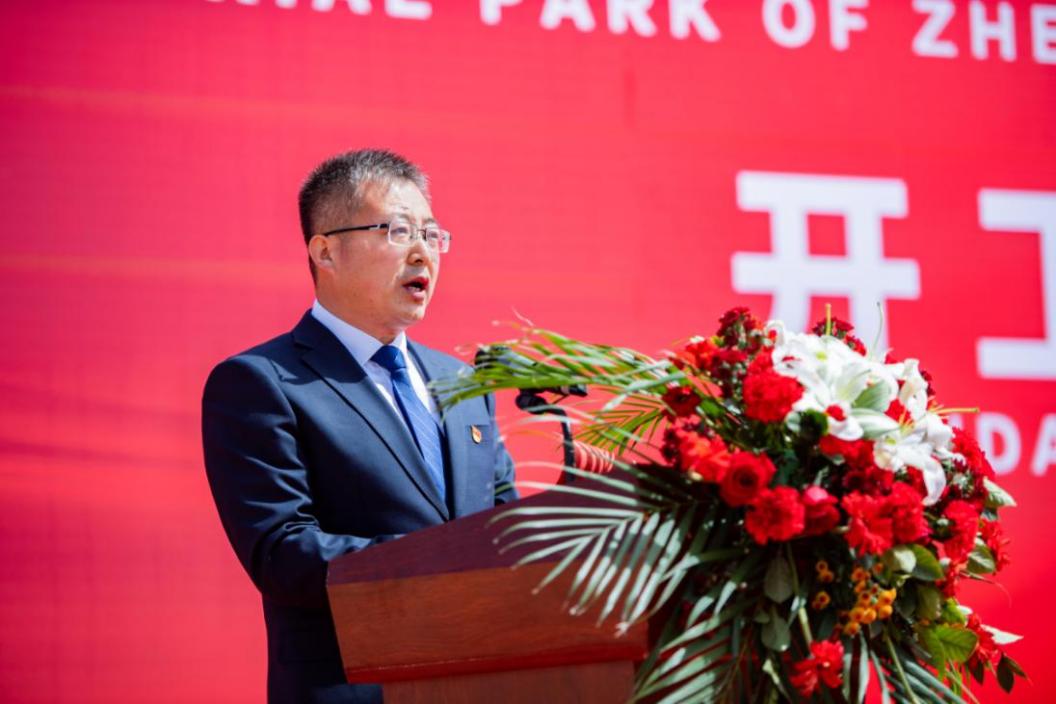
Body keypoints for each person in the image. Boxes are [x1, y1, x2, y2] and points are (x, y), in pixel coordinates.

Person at [201, 149, 517, 703]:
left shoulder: (463, 384)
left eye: (431, 234)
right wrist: (439, 560)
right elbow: (283, 552)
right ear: (325, 250)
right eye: (398, 231)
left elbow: (501, 528)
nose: (422, 252)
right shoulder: (263, 382)